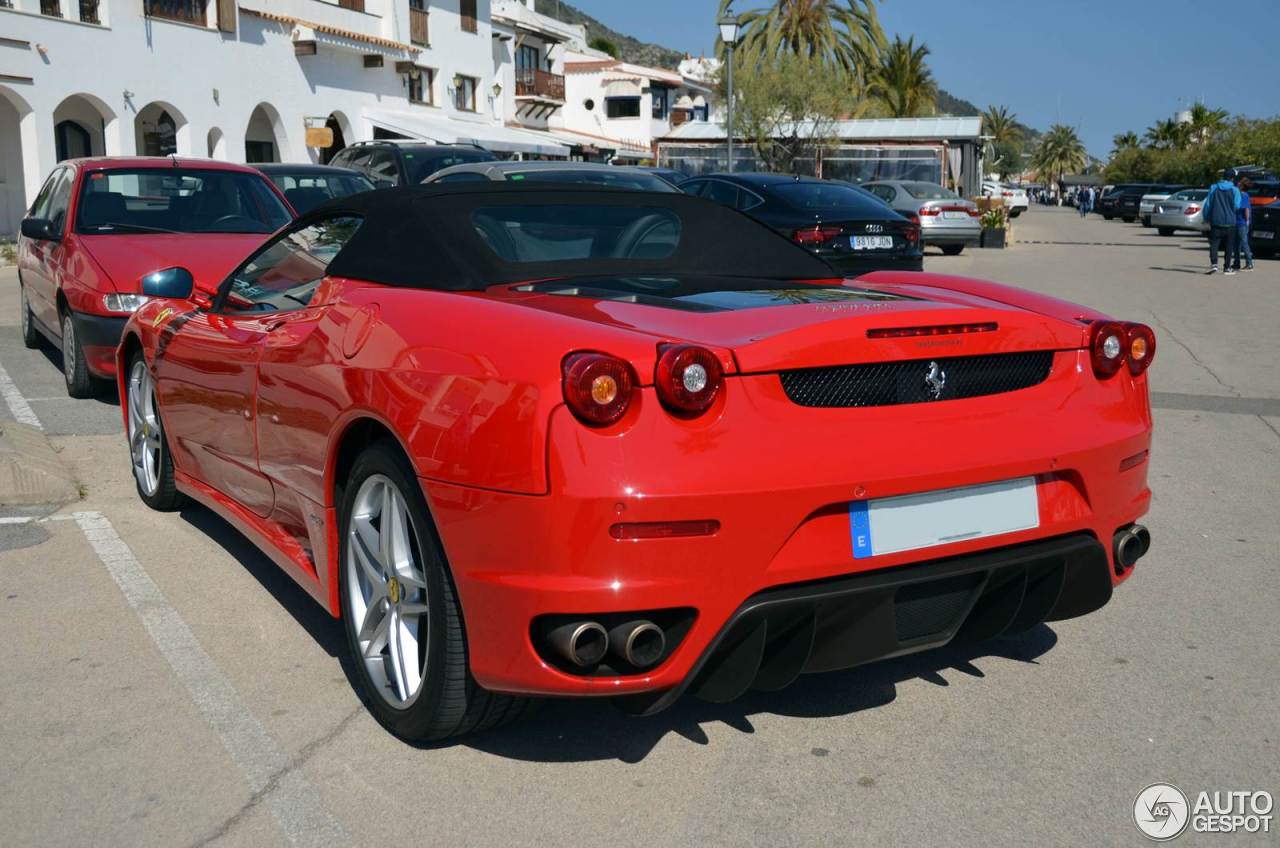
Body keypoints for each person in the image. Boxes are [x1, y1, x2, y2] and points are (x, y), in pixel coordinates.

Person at [1203, 169, 1243, 275]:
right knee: (1229, 246)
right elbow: (1237, 206)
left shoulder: (1214, 188)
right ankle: (1226, 267)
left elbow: (1208, 205)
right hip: (1230, 222)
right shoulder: (1235, 190)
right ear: (1232, 178)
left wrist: (1206, 217)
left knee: (1214, 244)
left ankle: (1214, 265)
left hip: (1216, 220)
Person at [1234, 177, 1254, 272]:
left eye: (1240, 183)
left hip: (1242, 222)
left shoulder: (1243, 195)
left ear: (1242, 186)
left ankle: (1249, 263)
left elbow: (1246, 209)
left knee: (1244, 242)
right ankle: (1236, 263)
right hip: (1237, 221)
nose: (1237, 183)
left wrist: (1247, 221)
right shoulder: (1240, 194)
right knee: (1236, 244)